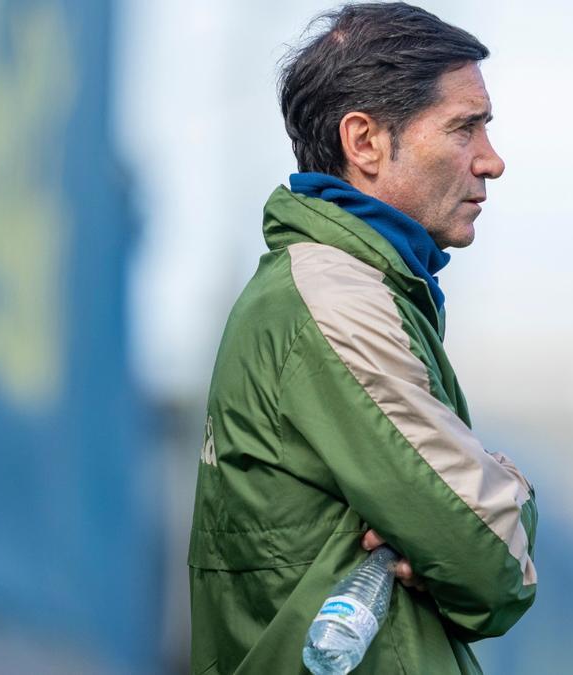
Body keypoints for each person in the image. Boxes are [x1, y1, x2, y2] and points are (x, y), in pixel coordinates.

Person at [187, 4, 538, 673]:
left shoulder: (343, 288)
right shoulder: (336, 298)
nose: (491, 161)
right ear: (365, 142)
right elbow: (491, 559)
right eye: (464, 127)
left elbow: (467, 537)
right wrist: (506, 492)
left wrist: (455, 522)